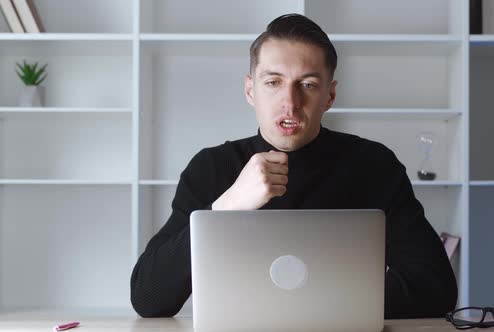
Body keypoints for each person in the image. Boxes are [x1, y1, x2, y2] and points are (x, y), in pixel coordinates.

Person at [130, 13, 457, 319]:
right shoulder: (211, 167)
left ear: (330, 96)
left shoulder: (375, 166)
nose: (290, 102)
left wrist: (310, 305)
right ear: (250, 90)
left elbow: (436, 288)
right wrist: (227, 205)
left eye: (308, 85)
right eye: (273, 82)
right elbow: (148, 298)